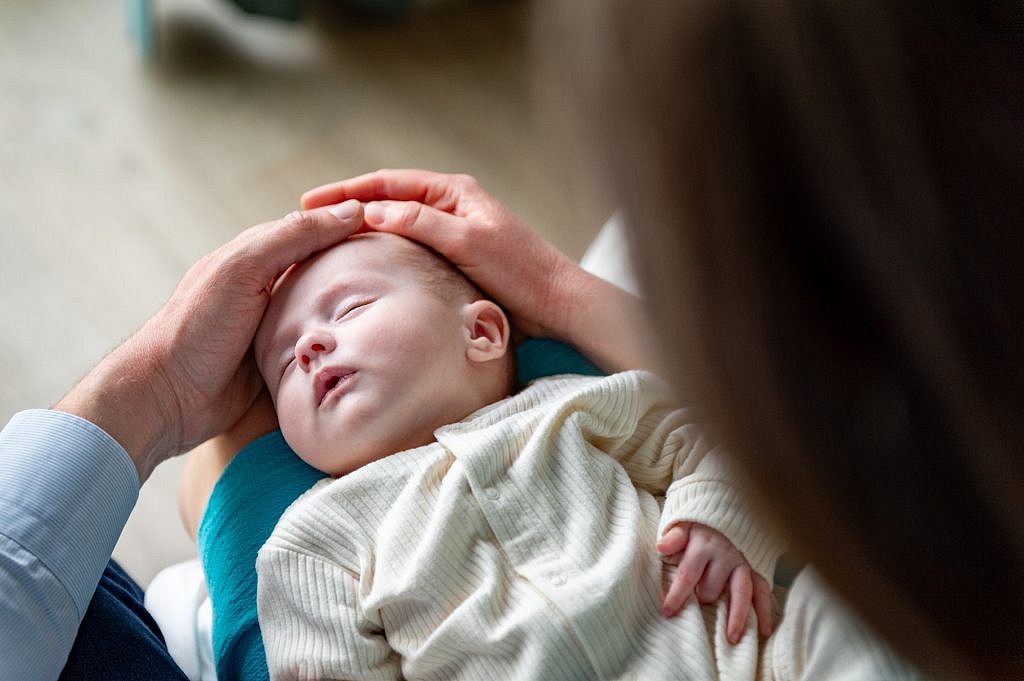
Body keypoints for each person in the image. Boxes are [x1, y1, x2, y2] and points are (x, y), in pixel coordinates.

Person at [246, 231, 775, 679]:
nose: (309, 346)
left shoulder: (569, 405)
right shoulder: (314, 541)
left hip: (738, 654)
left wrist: (717, 520)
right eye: (284, 366)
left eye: (350, 308)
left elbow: (706, 436)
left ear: (480, 332)